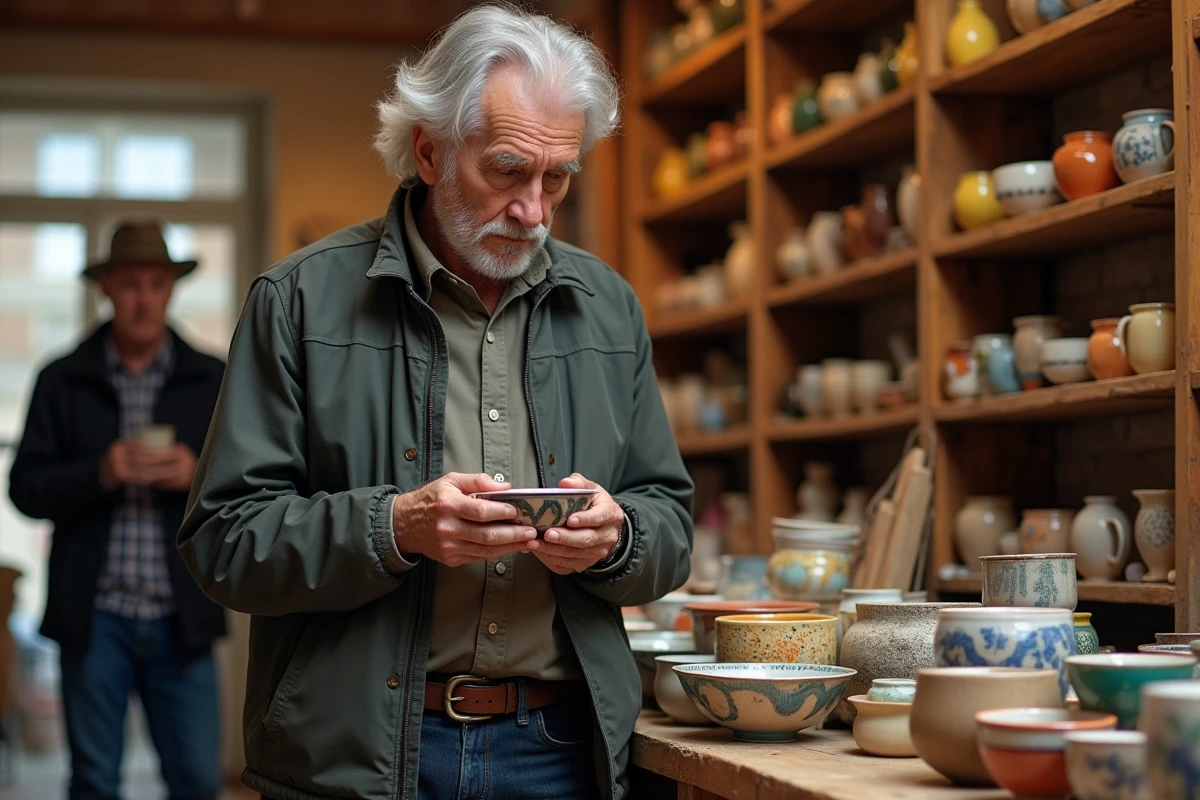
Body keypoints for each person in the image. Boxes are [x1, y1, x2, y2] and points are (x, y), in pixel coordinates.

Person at [177, 5, 694, 800]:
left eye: (557, 177)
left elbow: (668, 519)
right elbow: (223, 541)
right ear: (429, 149)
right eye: (508, 170)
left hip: (561, 750)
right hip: (358, 756)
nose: (534, 210)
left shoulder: (609, 307)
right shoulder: (299, 301)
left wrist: (618, 537)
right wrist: (396, 528)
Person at [9, 221, 226, 800]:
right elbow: (24, 489)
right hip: (94, 614)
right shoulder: (63, 378)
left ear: (171, 290)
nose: (143, 299)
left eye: (156, 284)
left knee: (199, 781)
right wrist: (99, 472)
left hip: (183, 615)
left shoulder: (211, 378)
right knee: (94, 782)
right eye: (129, 284)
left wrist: (197, 477)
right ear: (105, 289)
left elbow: (254, 491)